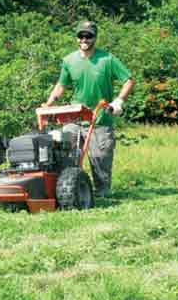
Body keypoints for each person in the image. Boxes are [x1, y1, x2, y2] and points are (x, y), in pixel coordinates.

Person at [42, 20, 134, 197]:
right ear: (77, 38)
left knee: (100, 160)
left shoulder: (107, 59)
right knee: (64, 153)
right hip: (75, 117)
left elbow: (128, 80)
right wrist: (49, 104)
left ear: (95, 37)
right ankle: (67, 192)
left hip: (100, 118)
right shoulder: (69, 60)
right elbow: (61, 85)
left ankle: (101, 194)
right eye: (81, 35)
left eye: (88, 36)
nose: (84, 39)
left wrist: (119, 101)